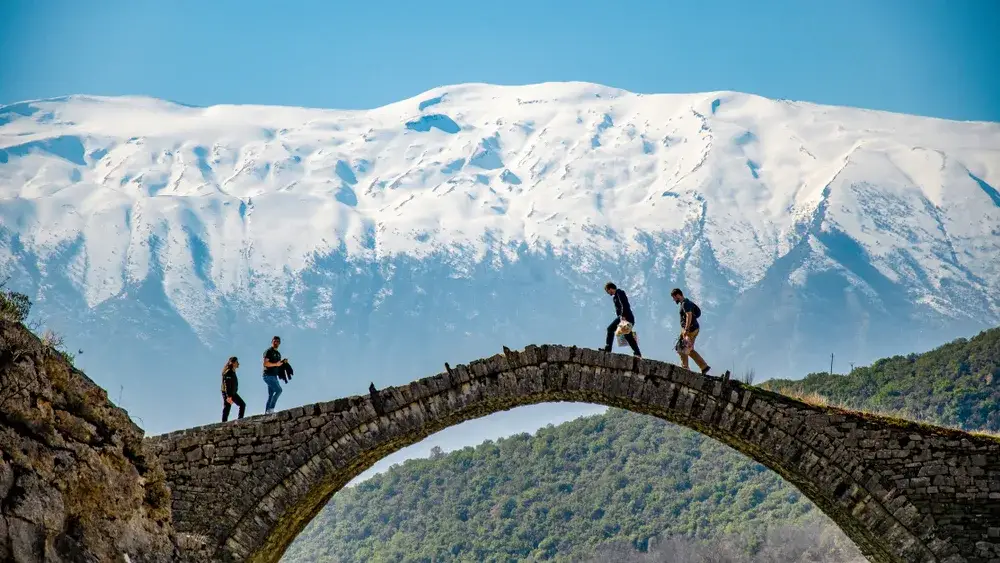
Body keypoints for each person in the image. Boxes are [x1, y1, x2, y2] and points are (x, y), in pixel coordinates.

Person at [671, 288, 710, 374]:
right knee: (684, 348)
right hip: (689, 329)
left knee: (684, 348)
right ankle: (704, 367)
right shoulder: (684, 303)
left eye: (674, 297)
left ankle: (685, 369)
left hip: (690, 330)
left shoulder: (685, 303)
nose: (673, 300)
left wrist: (686, 329)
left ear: (678, 295)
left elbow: (689, 315)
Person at [601, 282, 641, 357]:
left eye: (607, 290)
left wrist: (623, 315)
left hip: (626, 317)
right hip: (622, 317)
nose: (607, 293)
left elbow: (624, 304)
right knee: (625, 335)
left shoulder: (619, 292)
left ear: (610, 288)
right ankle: (637, 353)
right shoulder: (614, 297)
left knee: (613, 330)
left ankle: (608, 348)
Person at [262, 335, 287, 414]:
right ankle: (271, 408)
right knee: (279, 390)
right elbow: (266, 364)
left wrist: (283, 362)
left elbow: (278, 365)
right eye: (274, 341)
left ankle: (267, 412)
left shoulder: (278, 354)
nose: (276, 342)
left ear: (279, 343)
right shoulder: (268, 351)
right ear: (272, 341)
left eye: (278, 341)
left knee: (271, 394)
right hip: (267, 375)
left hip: (274, 376)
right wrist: (276, 364)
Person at [221, 356, 246, 422]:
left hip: (233, 393)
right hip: (228, 393)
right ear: (233, 363)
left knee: (242, 404)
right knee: (227, 408)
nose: (238, 364)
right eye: (237, 362)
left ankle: (240, 420)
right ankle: (224, 424)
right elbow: (226, 385)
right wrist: (228, 396)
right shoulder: (228, 372)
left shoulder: (233, 372)